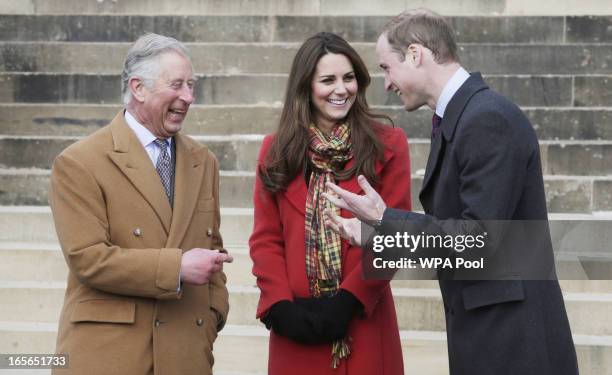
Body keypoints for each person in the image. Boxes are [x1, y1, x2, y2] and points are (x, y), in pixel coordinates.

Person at [323, 9, 579, 375]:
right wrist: (375, 236)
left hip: (514, 344)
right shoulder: (464, 116)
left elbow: (477, 241)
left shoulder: (486, 118)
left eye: (385, 67)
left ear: (415, 54)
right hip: (492, 335)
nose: (386, 83)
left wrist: (384, 218)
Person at [49, 33, 233, 375]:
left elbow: (213, 249)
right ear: (138, 88)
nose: (188, 97)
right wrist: (175, 268)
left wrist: (213, 315)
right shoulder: (79, 161)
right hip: (112, 356)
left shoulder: (203, 160)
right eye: (177, 85)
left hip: (186, 354)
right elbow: (87, 259)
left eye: (191, 85)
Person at [248, 32, 411, 374]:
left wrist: (348, 301)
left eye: (349, 78)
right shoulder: (275, 151)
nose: (342, 89)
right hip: (296, 327)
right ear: (306, 86)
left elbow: (395, 237)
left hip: (363, 321)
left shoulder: (390, 145)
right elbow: (266, 240)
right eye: (328, 80)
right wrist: (279, 307)